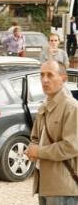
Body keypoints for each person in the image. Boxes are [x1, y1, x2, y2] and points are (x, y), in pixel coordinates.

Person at [26, 61, 78, 204]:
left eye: (50, 75)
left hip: (63, 188)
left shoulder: (71, 107)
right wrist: (31, 148)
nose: (44, 80)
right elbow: (35, 137)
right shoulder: (44, 105)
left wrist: (39, 151)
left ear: (63, 79)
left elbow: (71, 146)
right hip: (44, 184)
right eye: (42, 75)